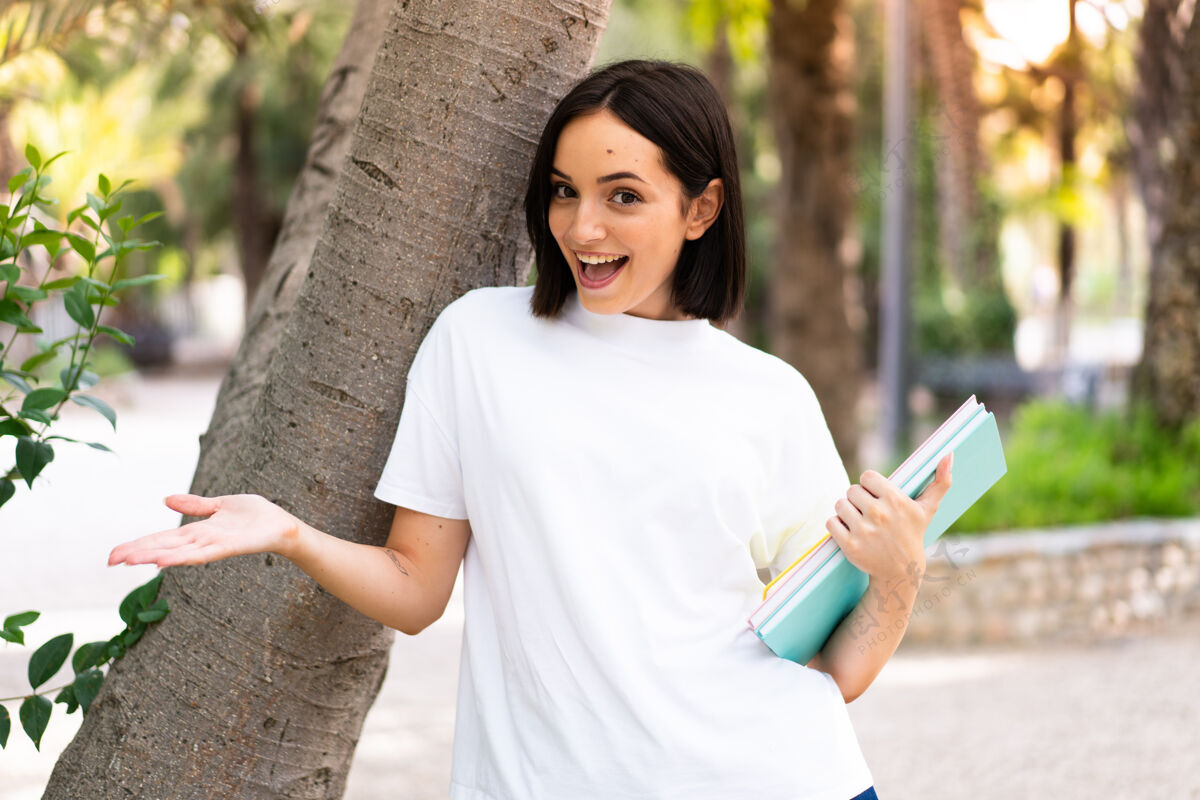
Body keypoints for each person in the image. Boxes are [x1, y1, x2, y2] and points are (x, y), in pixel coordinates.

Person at [109, 60, 952, 800]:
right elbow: (415, 589)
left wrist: (900, 574)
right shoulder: (478, 340)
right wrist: (290, 533)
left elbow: (834, 673)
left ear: (702, 209)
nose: (583, 228)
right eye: (564, 189)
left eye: (624, 195)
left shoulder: (770, 397)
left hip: (776, 778)